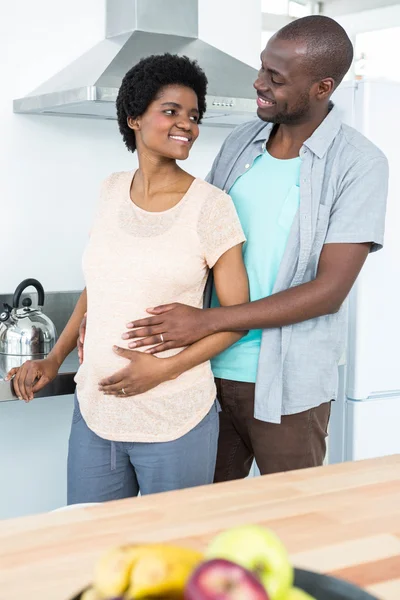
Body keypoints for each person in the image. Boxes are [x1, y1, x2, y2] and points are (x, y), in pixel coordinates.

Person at [107, 16, 389, 479]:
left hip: (288, 387)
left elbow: (329, 290)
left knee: (290, 526)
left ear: (322, 87)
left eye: (276, 79)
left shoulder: (359, 165)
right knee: (207, 521)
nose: (258, 83)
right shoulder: (242, 142)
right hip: (203, 374)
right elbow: (194, 242)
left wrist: (205, 321)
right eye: (262, 68)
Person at [6, 54, 249, 502]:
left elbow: (236, 318)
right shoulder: (111, 189)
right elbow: (96, 291)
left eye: (194, 116)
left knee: (173, 558)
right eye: (171, 111)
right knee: (95, 551)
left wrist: (162, 370)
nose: (187, 125)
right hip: (96, 413)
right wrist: (55, 359)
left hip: (176, 415)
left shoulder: (211, 207)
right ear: (134, 117)